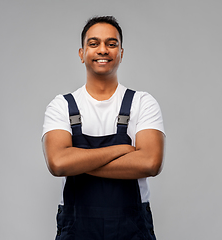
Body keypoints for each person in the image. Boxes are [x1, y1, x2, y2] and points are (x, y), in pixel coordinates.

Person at [42, 16, 165, 240]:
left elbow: (150, 162)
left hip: (132, 228)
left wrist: (76, 161)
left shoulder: (142, 102)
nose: (103, 50)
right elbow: (59, 164)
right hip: (77, 227)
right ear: (81, 54)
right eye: (93, 43)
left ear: (121, 53)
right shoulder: (61, 105)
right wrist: (122, 150)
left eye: (111, 44)